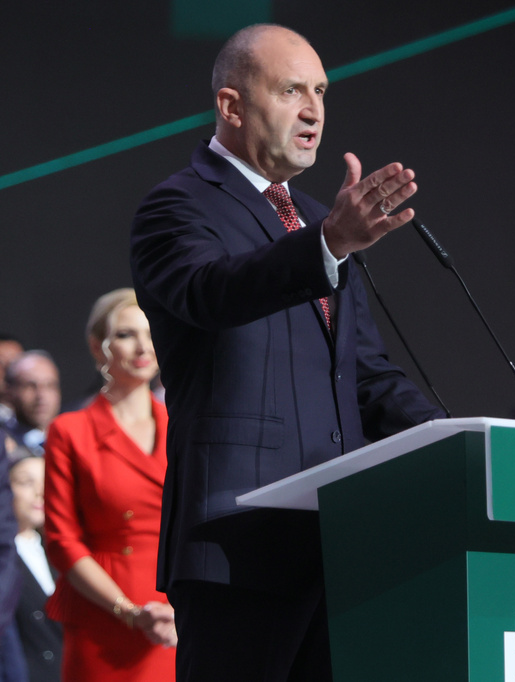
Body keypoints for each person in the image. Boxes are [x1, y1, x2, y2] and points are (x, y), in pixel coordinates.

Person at [129, 23, 445, 681]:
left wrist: (455, 439)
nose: (314, 111)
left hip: (342, 548)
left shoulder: (316, 217)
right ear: (232, 106)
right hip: (238, 547)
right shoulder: (177, 207)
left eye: (322, 92)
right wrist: (327, 244)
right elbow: (211, 292)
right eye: (292, 90)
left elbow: (363, 373)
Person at [43, 289, 176, 681]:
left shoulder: (181, 425)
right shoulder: (71, 431)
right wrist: (130, 612)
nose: (142, 346)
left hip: (176, 612)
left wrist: (180, 609)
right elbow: (62, 540)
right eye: (125, 334)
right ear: (97, 347)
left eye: (150, 333)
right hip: (105, 612)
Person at [9, 454, 61, 682]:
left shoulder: (57, 552)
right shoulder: (7, 558)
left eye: (45, 481)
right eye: (26, 482)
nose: (40, 492)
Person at [3, 353, 61, 457]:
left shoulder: (74, 438)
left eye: (49, 385)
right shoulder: (3, 444)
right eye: (30, 386)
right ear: (10, 392)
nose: (41, 396)